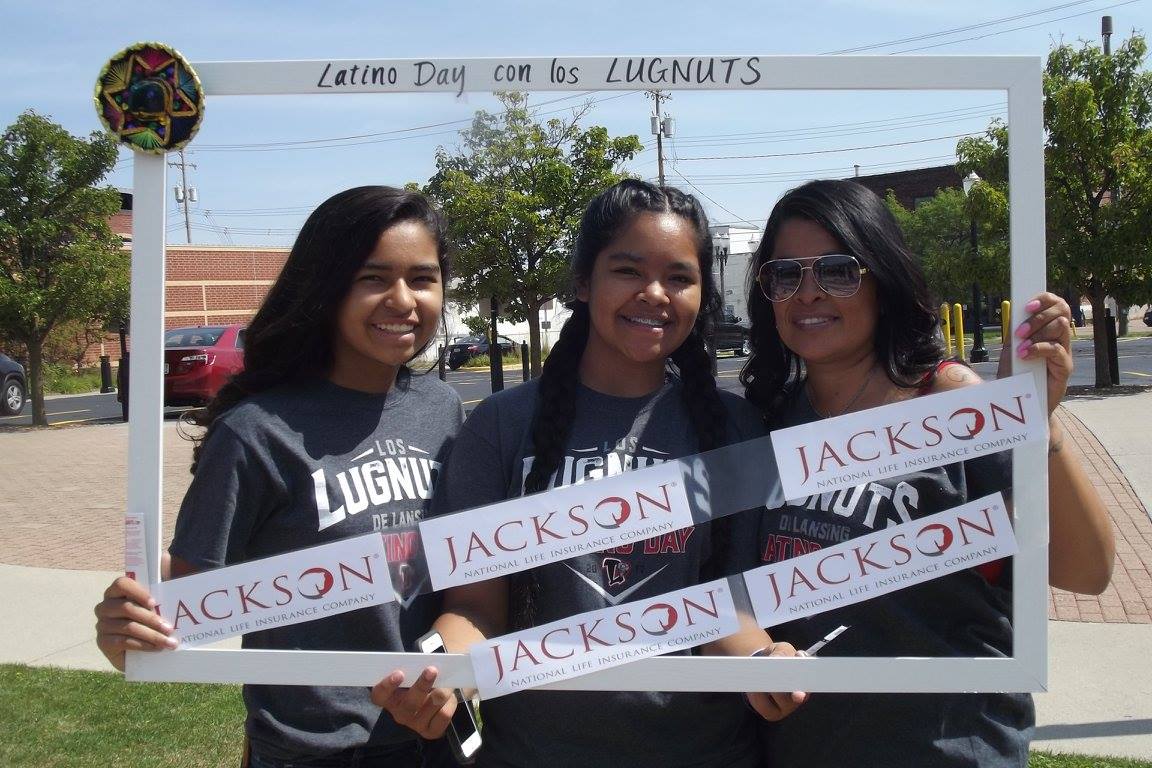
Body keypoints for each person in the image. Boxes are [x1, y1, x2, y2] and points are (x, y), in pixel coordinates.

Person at [373, 179, 804, 768]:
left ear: (702, 292)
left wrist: (763, 664)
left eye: (679, 277)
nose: (654, 294)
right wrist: (445, 672)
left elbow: (729, 605)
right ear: (583, 281)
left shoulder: (735, 429)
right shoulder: (501, 425)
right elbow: (476, 606)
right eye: (628, 270)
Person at [737, 178, 1116, 767]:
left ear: (882, 281)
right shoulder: (767, 422)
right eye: (785, 275)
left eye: (836, 271)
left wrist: (1036, 420)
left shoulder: (949, 402)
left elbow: (1086, 568)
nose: (807, 293)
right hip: (804, 748)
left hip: (947, 746)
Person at [94, 186, 464, 768]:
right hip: (314, 747)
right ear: (327, 286)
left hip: (434, 733)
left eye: (422, 278)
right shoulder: (257, 432)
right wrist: (132, 626)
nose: (402, 300)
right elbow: (189, 594)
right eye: (372, 278)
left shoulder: (442, 409)